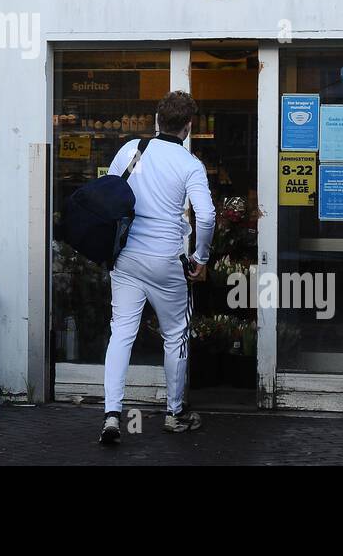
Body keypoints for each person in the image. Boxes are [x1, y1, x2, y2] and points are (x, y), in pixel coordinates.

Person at [100, 90, 215, 445]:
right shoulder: (189, 164)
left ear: (156, 120)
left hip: (127, 257)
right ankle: (175, 413)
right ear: (188, 127)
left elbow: (108, 194)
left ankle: (112, 416)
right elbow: (206, 216)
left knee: (121, 332)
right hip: (167, 260)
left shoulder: (133, 150)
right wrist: (200, 258)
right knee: (175, 335)